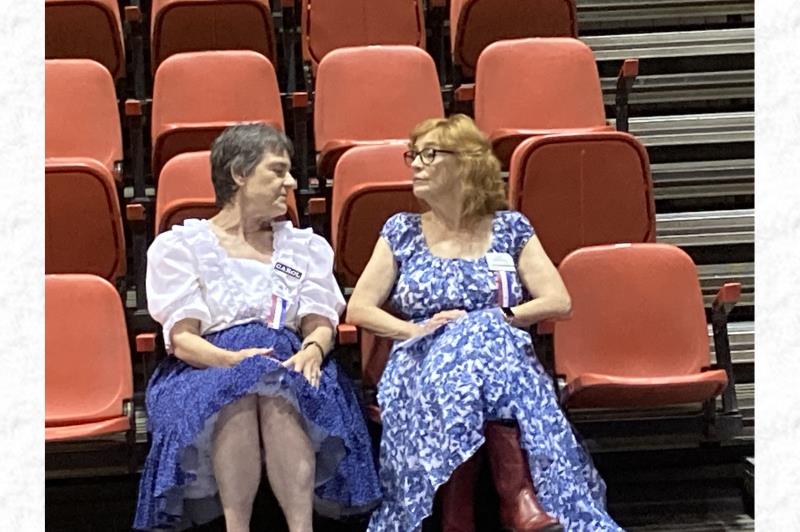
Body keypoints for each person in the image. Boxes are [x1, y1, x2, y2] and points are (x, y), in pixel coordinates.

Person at [347, 114, 622, 532]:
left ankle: (459, 515)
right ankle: (516, 498)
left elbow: (558, 300)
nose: (415, 164)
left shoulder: (510, 229)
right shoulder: (401, 231)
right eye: (413, 155)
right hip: (422, 364)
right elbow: (360, 309)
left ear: (467, 164)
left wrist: (499, 317)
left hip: (501, 360)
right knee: (484, 342)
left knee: (485, 335)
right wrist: (416, 330)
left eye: (429, 154)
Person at [133, 123, 381, 531]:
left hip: (292, 359)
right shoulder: (181, 247)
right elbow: (184, 340)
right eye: (278, 171)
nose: (291, 182)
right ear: (239, 174)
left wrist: (312, 350)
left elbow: (320, 323)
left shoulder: (302, 247)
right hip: (205, 367)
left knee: (279, 384)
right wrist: (232, 361)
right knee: (241, 387)